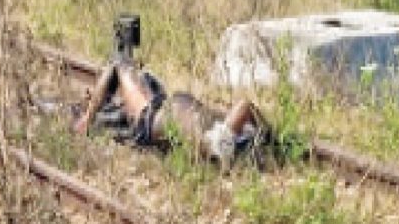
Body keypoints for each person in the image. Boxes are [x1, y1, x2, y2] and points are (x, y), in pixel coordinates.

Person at [72, 55, 271, 170]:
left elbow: (115, 68)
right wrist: (88, 116)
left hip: (163, 114)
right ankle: (262, 139)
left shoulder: (125, 95)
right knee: (238, 113)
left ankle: (263, 139)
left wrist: (88, 116)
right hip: (162, 115)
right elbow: (245, 107)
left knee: (121, 66)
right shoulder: (215, 141)